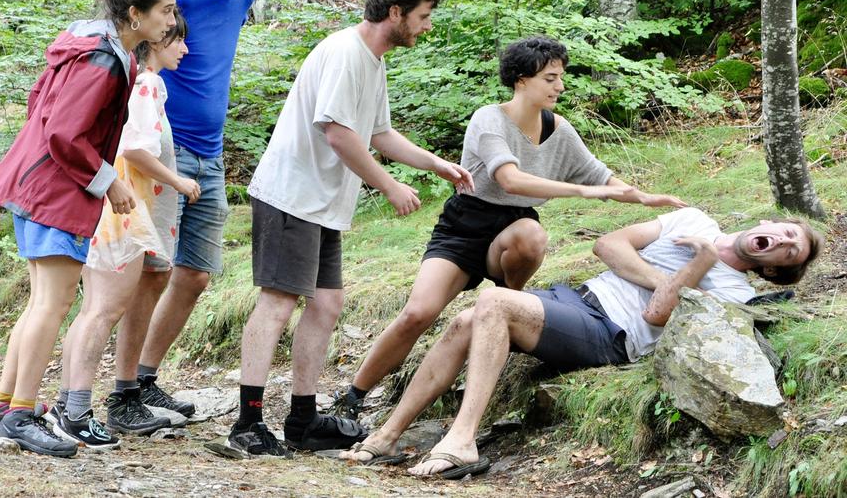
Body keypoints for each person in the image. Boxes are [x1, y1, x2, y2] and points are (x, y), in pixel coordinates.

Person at [331, 36, 687, 420]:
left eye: (560, 77)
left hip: (513, 227)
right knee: (418, 313)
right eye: (550, 78)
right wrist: (586, 192)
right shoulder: (489, 118)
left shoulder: (559, 129)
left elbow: (602, 177)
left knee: (532, 235)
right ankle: (353, 396)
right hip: (465, 225)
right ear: (521, 79)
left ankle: (507, 307)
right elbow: (510, 180)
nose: (559, 86)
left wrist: (644, 197)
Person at [340, 208, 822, 477]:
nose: (779, 240)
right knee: (465, 319)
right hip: (574, 298)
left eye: (789, 248)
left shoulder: (734, 292)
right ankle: (387, 436)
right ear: (764, 222)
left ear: (775, 269)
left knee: (496, 303)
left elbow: (656, 315)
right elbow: (608, 245)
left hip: (609, 334)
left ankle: (462, 440)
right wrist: (663, 275)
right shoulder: (694, 220)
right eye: (782, 230)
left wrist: (695, 267)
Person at [224, 0, 476, 457]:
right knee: (277, 303)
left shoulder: (373, 62)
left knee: (326, 305)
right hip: (291, 195)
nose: (427, 27)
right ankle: (247, 423)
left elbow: (377, 133)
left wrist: (436, 164)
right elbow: (338, 132)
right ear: (395, 12)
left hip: (322, 204)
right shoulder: (344, 53)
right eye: (423, 17)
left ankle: (302, 420)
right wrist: (387, 186)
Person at [0, 0, 177, 458]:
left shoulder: (91, 45)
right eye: (165, 11)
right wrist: (108, 181)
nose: (171, 21)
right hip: (55, 191)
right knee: (54, 303)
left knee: (41, 301)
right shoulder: (105, 59)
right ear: (136, 15)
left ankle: (4, 407)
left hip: (34, 182)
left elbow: (38, 105)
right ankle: (22, 414)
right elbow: (65, 132)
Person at [120, 0, 284, 419]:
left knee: (194, 275)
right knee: (152, 272)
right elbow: (136, 48)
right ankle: (122, 393)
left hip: (211, 154)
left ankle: (145, 380)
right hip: (166, 152)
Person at [50, 11, 203, 445]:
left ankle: (71, 404)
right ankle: (75, 409)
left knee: (97, 309)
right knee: (102, 309)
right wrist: (177, 181)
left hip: (121, 213)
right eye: (178, 41)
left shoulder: (141, 81)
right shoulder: (148, 83)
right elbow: (134, 148)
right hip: (121, 215)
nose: (185, 50)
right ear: (156, 41)